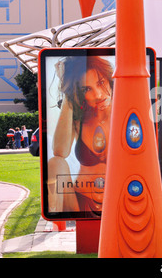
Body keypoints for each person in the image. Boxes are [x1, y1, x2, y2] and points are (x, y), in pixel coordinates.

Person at [48, 56, 114, 217]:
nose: (98, 95)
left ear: (110, 79)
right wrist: (68, 95)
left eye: (101, 82)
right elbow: (59, 152)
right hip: (80, 201)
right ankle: (57, 224)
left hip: (116, 199)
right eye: (86, 89)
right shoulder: (80, 118)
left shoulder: (126, 114)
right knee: (55, 163)